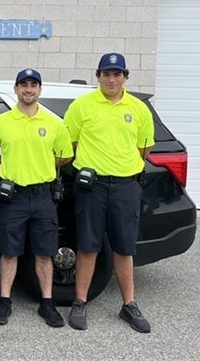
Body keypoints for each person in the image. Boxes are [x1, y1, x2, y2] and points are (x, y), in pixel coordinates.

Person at [64, 53, 155, 333]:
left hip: (127, 186)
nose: (111, 79)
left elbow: (144, 149)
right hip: (93, 186)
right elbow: (69, 143)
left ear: (125, 76)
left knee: (124, 246)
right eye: (106, 74)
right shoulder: (82, 106)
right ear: (98, 76)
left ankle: (129, 305)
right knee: (88, 245)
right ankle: (80, 301)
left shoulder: (139, 109)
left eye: (117, 74)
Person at [0, 68, 73, 328]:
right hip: (13, 196)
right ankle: (4, 301)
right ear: (16, 89)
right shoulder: (1, 123)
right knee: (9, 251)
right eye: (23, 84)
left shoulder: (54, 123)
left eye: (33, 84)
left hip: (43, 195)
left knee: (45, 253)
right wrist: (9, 164)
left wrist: (42, 164)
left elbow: (65, 155)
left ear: (40, 90)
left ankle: (47, 302)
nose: (28, 89)